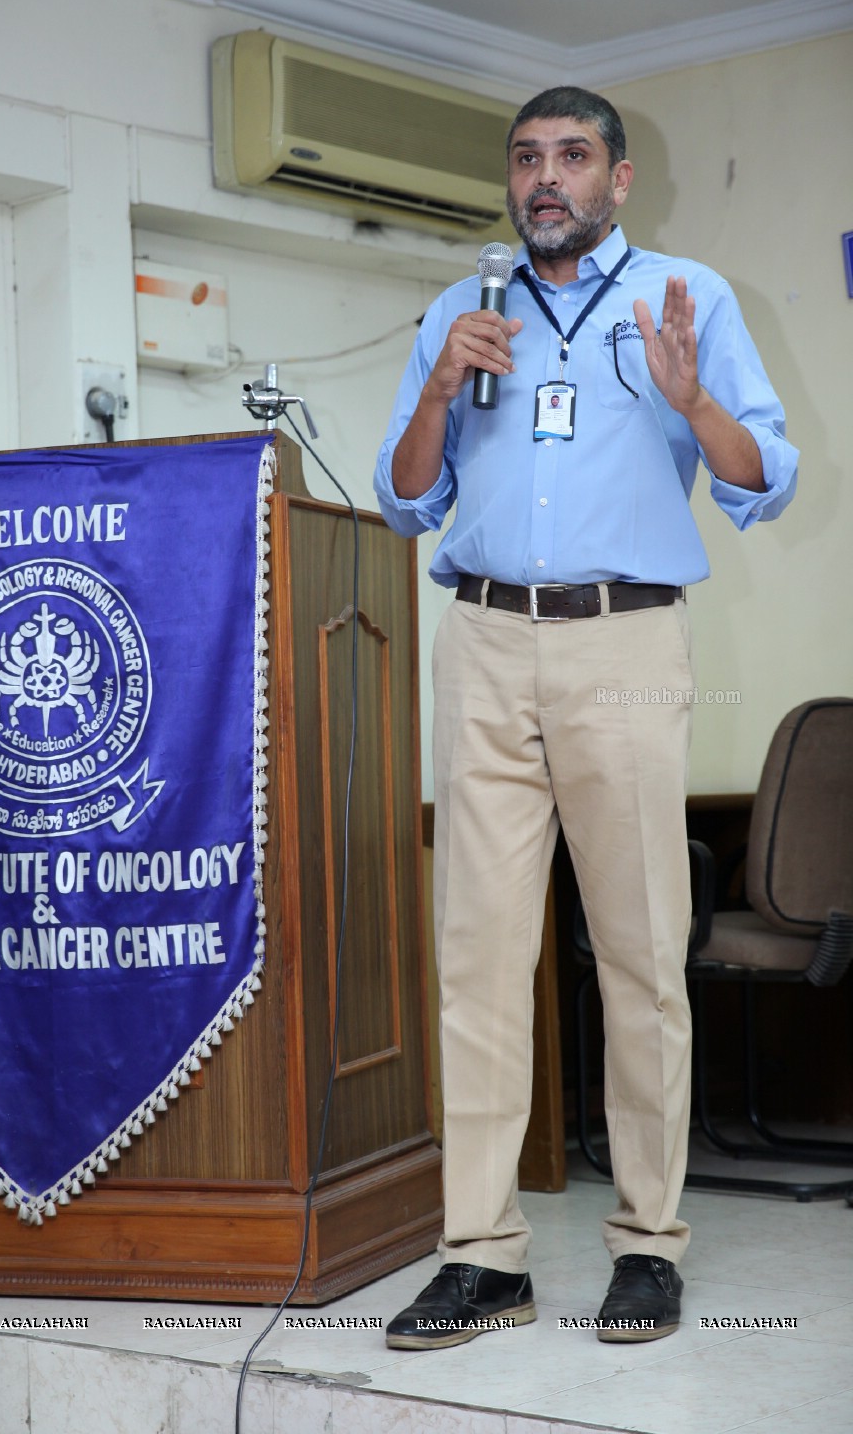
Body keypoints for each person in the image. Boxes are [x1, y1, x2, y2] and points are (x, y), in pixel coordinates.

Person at [374, 85, 798, 1350]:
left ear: (618, 179)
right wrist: (441, 390)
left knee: (639, 953)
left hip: (622, 636)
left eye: (571, 158)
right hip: (485, 637)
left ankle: (648, 1245)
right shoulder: (463, 308)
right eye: (526, 159)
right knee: (477, 965)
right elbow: (406, 501)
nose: (544, 178)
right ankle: (481, 1255)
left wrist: (691, 399)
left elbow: (763, 480)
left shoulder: (685, 299)